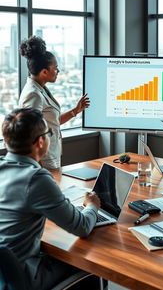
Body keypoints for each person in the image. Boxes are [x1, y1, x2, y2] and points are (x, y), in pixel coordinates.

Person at [0, 107, 101, 290]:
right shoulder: (36, 179)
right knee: (92, 263)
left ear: (7, 140)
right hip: (25, 276)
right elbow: (82, 227)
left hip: (4, 274)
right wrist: (92, 206)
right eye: (49, 133)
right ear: (40, 142)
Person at [19, 35, 90, 169]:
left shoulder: (41, 89)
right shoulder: (33, 94)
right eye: (55, 68)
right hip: (43, 162)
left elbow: (50, 123)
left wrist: (75, 111)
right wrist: (38, 168)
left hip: (50, 157)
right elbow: (29, 135)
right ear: (45, 72)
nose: (58, 71)